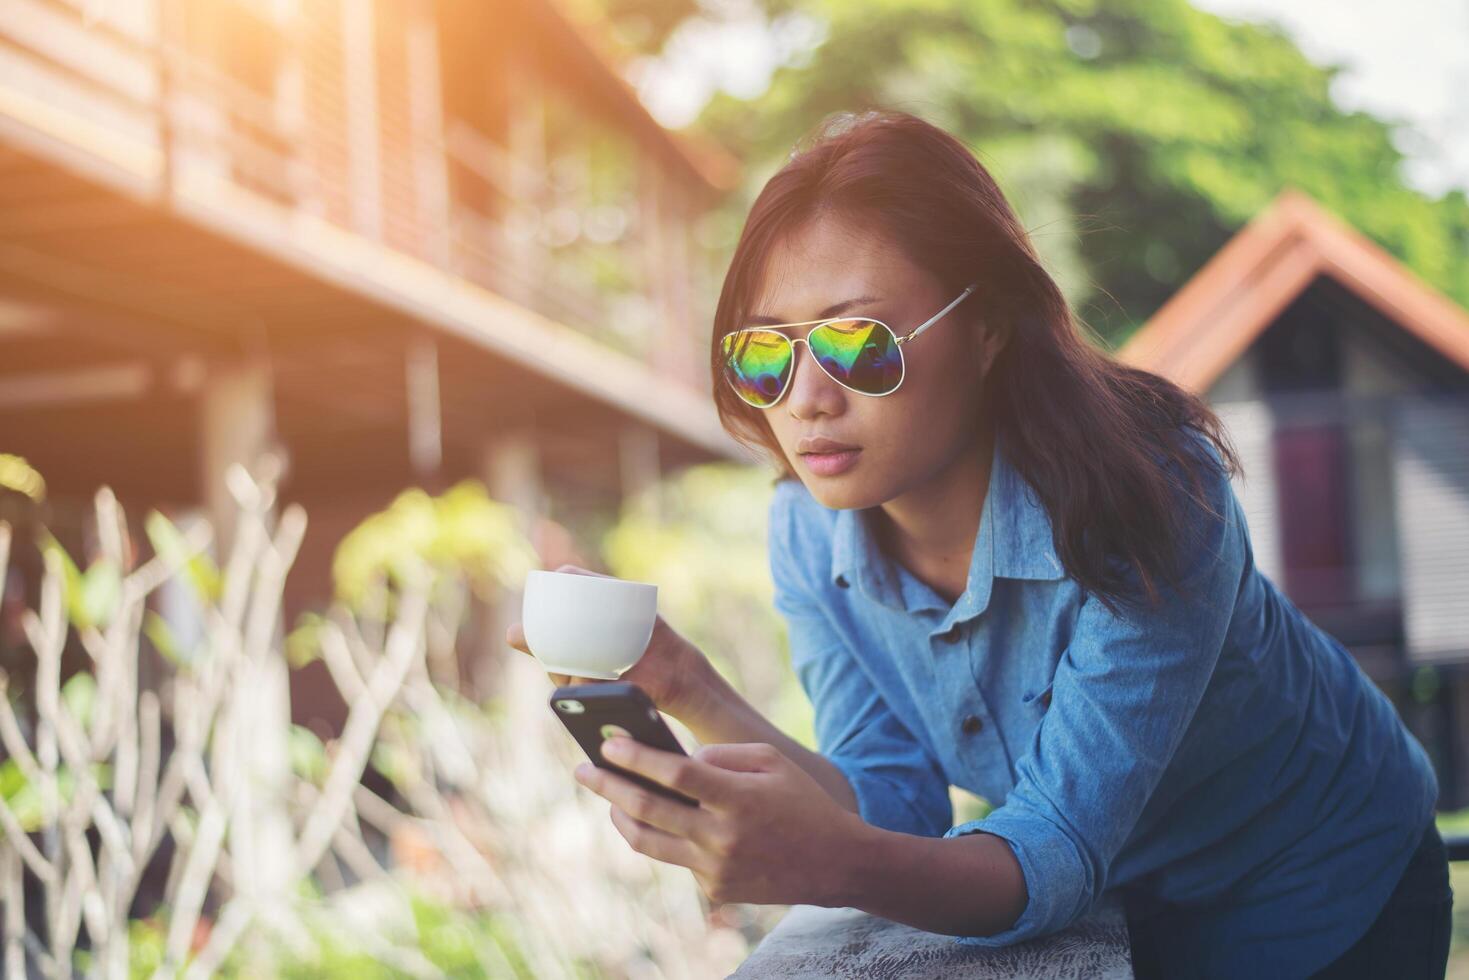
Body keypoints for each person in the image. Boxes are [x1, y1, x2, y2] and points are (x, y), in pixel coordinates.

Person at [507, 108, 1450, 979]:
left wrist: (832, 862)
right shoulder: (806, 529)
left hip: (1326, 881)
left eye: (858, 344)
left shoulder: (1149, 496)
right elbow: (890, 804)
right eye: (765, 353)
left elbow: (1049, 850)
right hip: (1134, 908)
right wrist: (685, 686)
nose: (806, 399)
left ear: (989, 325)